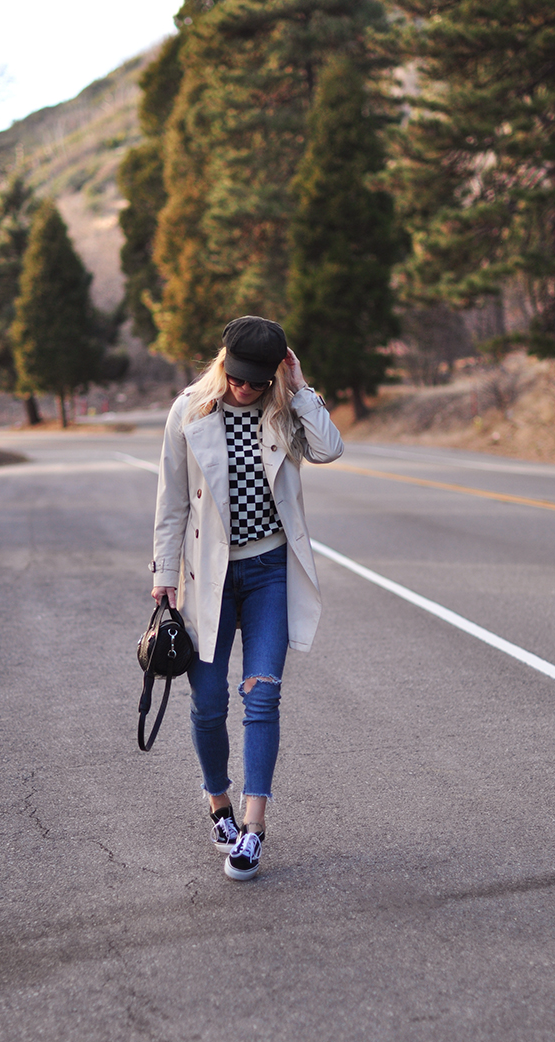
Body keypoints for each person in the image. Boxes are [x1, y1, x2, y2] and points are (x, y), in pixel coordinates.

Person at [150, 315, 343, 880]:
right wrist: (164, 573)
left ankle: (254, 831)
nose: (244, 388)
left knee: (262, 698)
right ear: (222, 363)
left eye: (258, 380)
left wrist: (300, 387)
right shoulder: (188, 410)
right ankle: (220, 808)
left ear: (274, 374)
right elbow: (171, 500)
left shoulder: (284, 410)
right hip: (207, 576)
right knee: (208, 704)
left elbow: (330, 449)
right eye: (237, 376)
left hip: (268, 572)